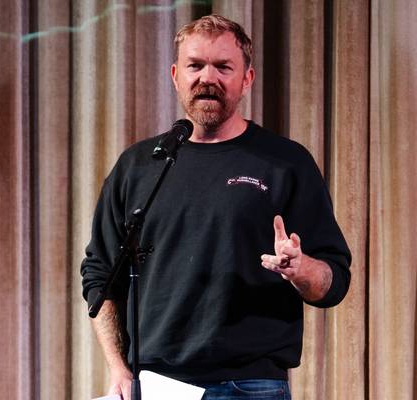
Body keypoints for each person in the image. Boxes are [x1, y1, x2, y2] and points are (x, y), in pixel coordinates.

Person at [80, 14, 351, 400]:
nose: (208, 78)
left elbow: (334, 280)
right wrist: (120, 370)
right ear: (176, 75)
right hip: (156, 384)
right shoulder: (141, 165)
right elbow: (100, 274)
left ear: (247, 79)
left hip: (250, 385)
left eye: (224, 66)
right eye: (196, 65)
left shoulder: (285, 163)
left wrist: (300, 268)